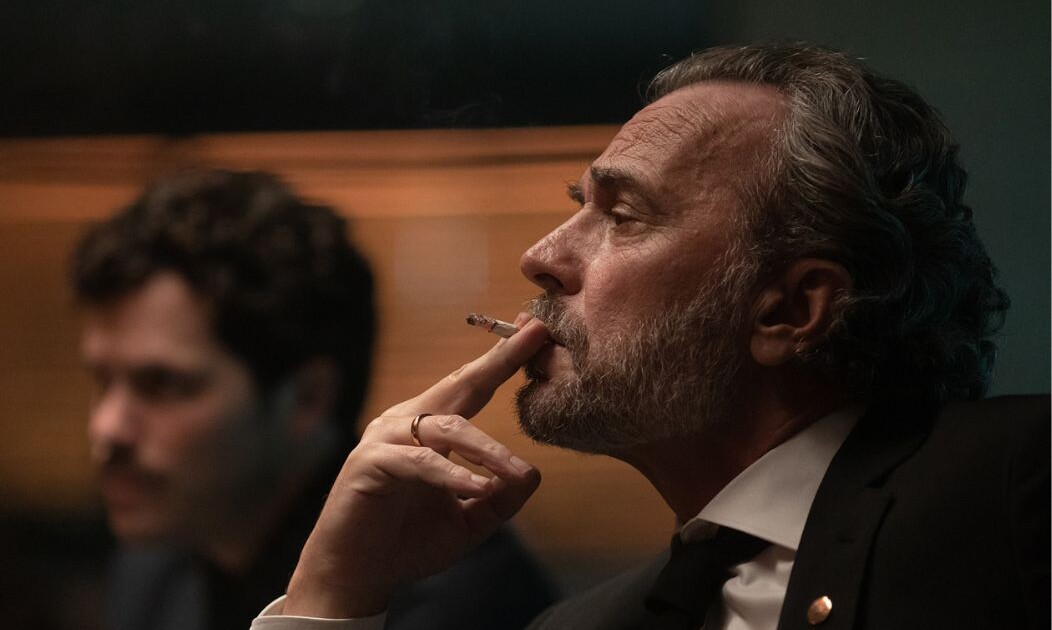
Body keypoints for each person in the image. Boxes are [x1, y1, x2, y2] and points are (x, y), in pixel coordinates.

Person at [255, 43, 1049, 629]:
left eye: (623, 216)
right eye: (579, 207)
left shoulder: (1020, 489)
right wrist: (335, 595)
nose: (540, 257)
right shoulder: (579, 627)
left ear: (791, 310)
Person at [71, 169, 556, 630]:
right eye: (102, 380)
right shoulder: (156, 568)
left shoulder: (457, 596)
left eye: (162, 384)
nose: (107, 428)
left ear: (307, 398)